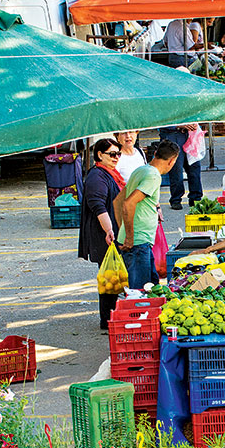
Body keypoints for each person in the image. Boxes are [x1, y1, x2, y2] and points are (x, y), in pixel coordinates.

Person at [118, 140, 179, 287]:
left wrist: (122, 230)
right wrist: (130, 237)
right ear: (172, 161)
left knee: (151, 286)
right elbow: (128, 203)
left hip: (139, 241)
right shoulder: (153, 176)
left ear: (156, 153)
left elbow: (118, 201)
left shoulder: (142, 170)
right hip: (137, 243)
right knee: (141, 292)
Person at [78, 138, 124, 331]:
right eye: (112, 154)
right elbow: (97, 205)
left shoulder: (110, 173)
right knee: (109, 277)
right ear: (99, 155)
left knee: (113, 276)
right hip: (103, 233)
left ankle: (111, 316)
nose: (116, 158)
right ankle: (107, 320)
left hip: (111, 230)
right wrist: (109, 230)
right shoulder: (97, 176)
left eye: (118, 154)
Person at [158, 124, 203, 211]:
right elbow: (162, 120)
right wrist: (180, 125)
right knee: (176, 169)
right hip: (173, 134)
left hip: (190, 134)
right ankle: (176, 199)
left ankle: (196, 198)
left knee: (194, 167)